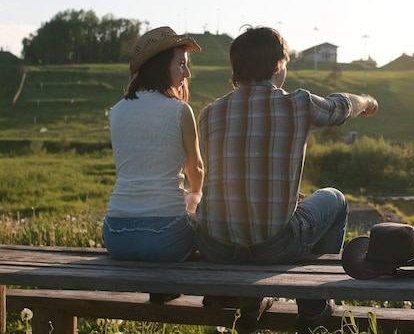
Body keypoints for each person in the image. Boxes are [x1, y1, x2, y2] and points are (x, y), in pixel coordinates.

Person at [195, 26, 378, 333]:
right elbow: (340, 107)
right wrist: (367, 100)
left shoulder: (209, 113)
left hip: (216, 245)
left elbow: (228, 173)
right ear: (278, 64)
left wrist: (289, 194)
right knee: (335, 198)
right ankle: (312, 307)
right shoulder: (297, 103)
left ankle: (253, 303)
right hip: (273, 246)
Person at [102, 26, 204, 303]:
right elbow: (195, 169)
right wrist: (195, 195)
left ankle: (162, 286)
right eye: (181, 64)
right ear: (161, 66)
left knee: (181, 201)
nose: (187, 74)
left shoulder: (118, 110)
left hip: (115, 235)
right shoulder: (180, 110)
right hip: (163, 238)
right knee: (197, 202)